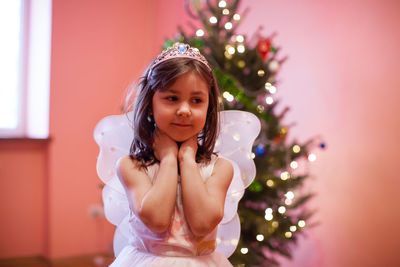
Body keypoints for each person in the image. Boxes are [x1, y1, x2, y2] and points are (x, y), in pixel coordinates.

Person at [94, 43, 260, 266]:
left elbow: (202, 223)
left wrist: (187, 159)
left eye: (196, 100)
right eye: (172, 98)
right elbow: (157, 220)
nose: (184, 109)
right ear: (151, 104)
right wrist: (169, 160)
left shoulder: (221, 169)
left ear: (209, 108)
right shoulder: (130, 167)